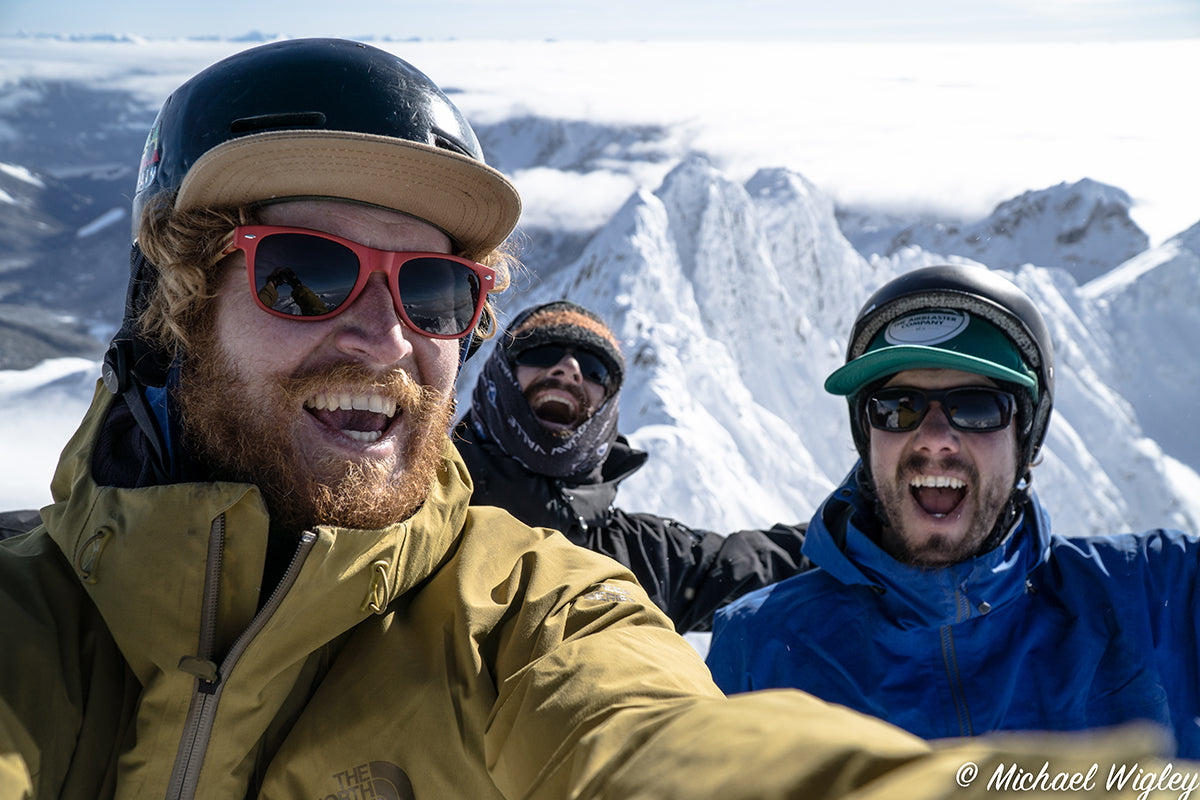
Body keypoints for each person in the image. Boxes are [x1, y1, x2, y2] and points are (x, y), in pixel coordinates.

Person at [0, 39, 1186, 800]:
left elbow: (661, 744)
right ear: (176, 305)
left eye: (433, 289)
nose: (381, 333)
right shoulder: (30, 619)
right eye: (304, 272)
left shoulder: (534, 604)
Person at [706, 264, 1200, 756]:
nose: (936, 439)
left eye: (977, 406)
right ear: (867, 436)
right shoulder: (760, 648)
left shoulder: (1159, 598)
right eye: (898, 407)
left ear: (1025, 439)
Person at [455, 299, 810, 632]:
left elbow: (758, 564)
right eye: (541, 351)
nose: (569, 370)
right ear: (500, 373)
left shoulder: (643, 560)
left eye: (595, 370)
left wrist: (855, 511)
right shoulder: (424, 501)